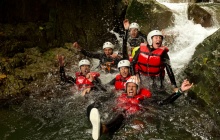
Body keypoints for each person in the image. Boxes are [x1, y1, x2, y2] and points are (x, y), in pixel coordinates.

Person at [87, 77, 193, 140]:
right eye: (129, 86)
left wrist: (180, 91)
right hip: (120, 116)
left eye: (134, 87)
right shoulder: (121, 98)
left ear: (138, 89)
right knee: (121, 113)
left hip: (137, 117)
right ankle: (103, 129)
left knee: (127, 117)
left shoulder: (143, 100)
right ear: (125, 88)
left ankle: (105, 129)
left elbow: (163, 102)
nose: (131, 88)